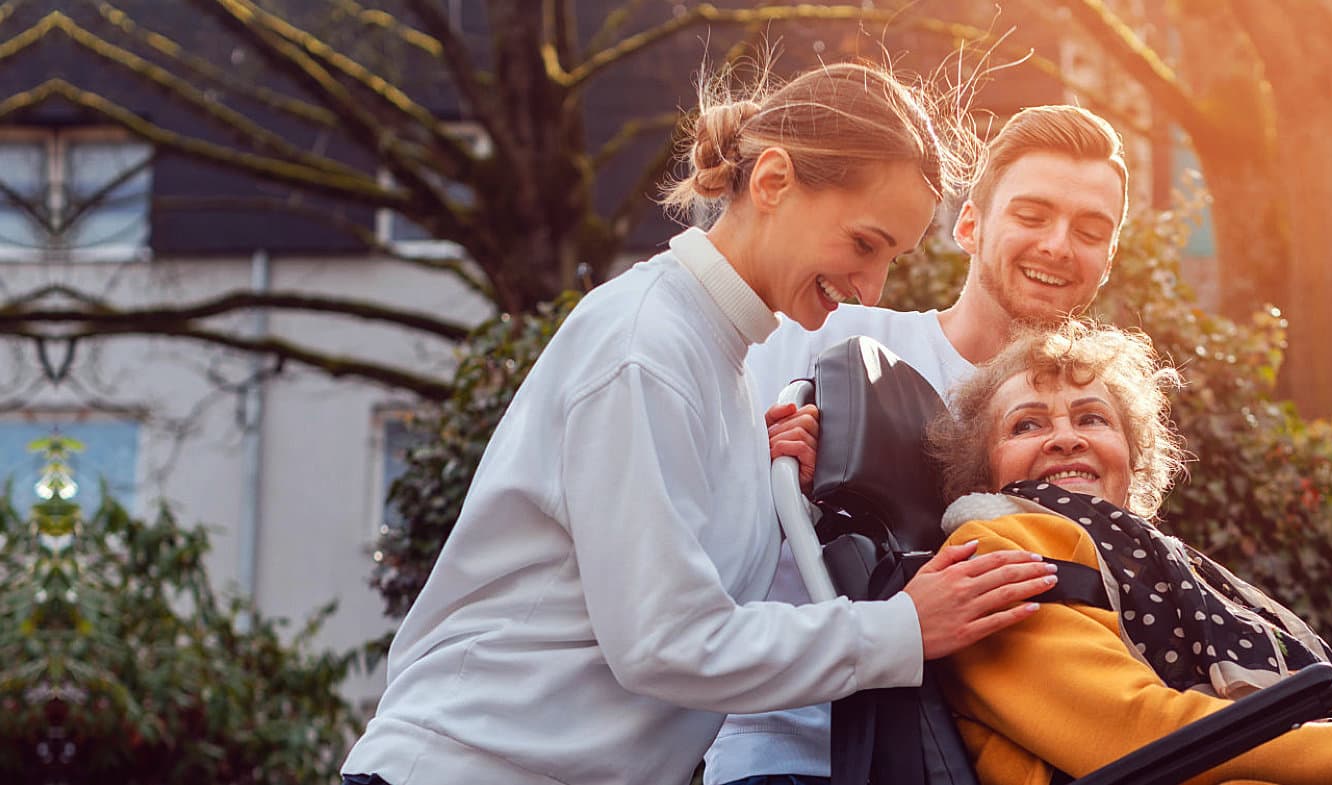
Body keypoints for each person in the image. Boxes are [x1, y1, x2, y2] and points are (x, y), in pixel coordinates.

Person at [339, 63, 1062, 785]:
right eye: (865, 244)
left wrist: (757, 476)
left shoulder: (730, 368)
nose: (871, 288)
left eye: (891, 259)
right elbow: (667, 640)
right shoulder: (646, 347)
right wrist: (903, 626)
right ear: (772, 182)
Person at [705, 105, 1132, 785]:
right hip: (799, 750)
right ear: (969, 225)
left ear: (1106, 261)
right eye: (1032, 214)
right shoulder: (824, 334)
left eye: (1089, 230)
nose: (1058, 244)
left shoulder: (1086, 429)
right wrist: (757, 465)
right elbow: (685, 514)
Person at [925, 320, 1332, 785]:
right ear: (983, 469)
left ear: (1130, 459)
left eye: (1091, 419)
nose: (1066, 438)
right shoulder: (994, 549)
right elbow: (1138, 731)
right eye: (1027, 424)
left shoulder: (1154, 560)